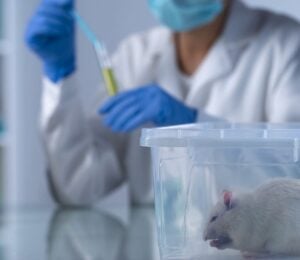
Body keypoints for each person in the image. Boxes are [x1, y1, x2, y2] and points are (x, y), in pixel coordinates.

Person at [25, 0, 300, 206]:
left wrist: (198, 129)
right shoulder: (135, 55)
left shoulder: (287, 45)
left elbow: (292, 178)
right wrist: (59, 76)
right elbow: (79, 187)